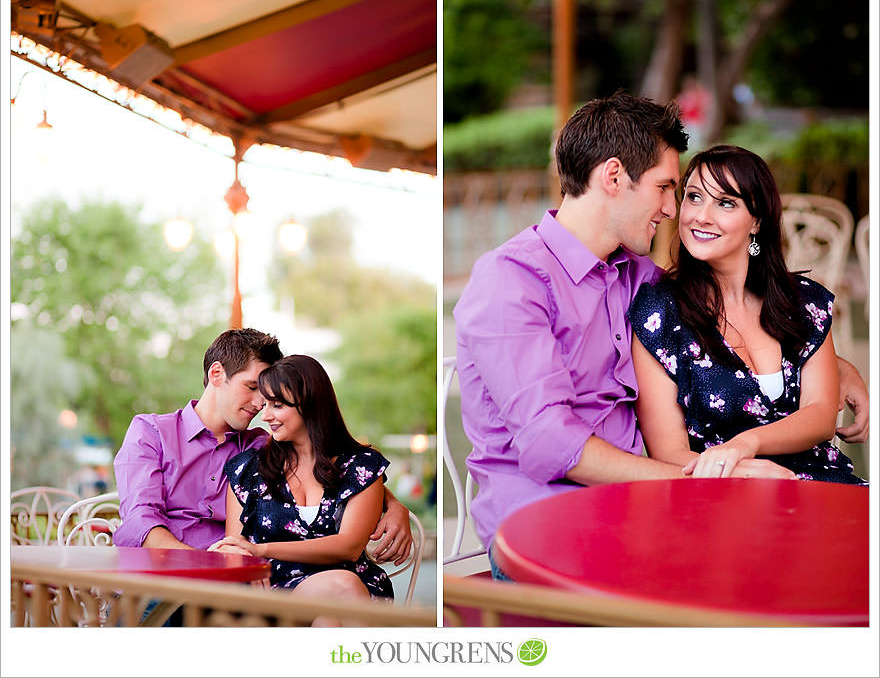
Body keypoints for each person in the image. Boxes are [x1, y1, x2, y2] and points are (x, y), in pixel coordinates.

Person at [453, 92, 869, 579]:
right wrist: (716, 480)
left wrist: (835, 365)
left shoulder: (635, 274)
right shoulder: (510, 280)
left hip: (648, 502)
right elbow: (551, 444)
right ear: (614, 178)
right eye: (667, 188)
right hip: (549, 520)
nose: (674, 210)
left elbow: (738, 320)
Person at [629, 145, 865, 484]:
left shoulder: (803, 301)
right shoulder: (658, 314)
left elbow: (821, 414)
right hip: (720, 495)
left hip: (822, 484)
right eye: (694, 197)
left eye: (725, 203)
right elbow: (668, 451)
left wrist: (745, 444)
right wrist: (740, 470)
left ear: (757, 221)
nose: (702, 215)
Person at [113, 329, 412, 562]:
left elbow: (333, 472)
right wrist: (204, 565)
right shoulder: (151, 432)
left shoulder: (260, 448)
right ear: (217, 374)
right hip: (160, 574)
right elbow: (141, 520)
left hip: (235, 584)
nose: (260, 405)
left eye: (269, 397)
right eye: (253, 387)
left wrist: (395, 506)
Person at [208, 355, 394, 624]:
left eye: (277, 405)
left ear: (310, 405)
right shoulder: (247, 470)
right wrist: (251, 556)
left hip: (356, 587)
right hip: (277, 593)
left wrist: (262, 550)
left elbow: (349, 547)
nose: (266, 415)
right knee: (342, 589)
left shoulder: (361, 466)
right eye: (266, 404)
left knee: (331, 617)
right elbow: (236, 548)